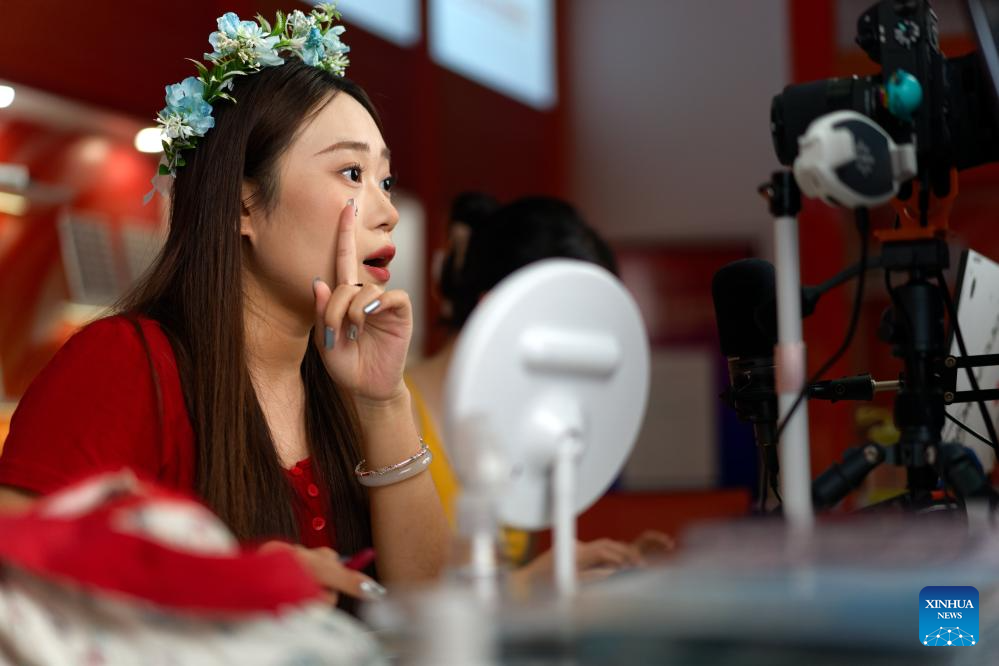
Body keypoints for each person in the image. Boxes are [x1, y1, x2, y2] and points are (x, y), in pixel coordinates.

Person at [0, 6, 448, 605]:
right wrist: (227, 577)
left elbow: (428, 610)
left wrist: (383, 403)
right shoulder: (125, 364)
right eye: (351, 172)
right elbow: (15, 568)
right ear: (241, 206)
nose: (388, 212)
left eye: (384, 181)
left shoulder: (342, 388)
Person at [407, 194, 672, 586]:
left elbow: (503, 582)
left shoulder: (524, 422)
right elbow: (414, 596)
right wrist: (537, 582)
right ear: (495, 306)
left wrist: (603, 572)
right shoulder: (396, 416)